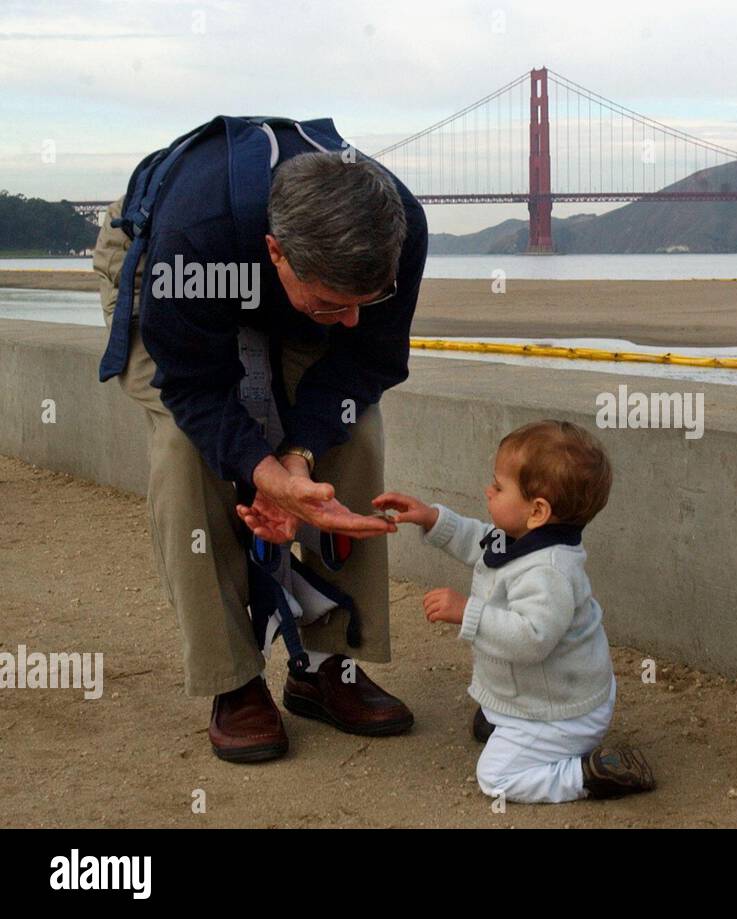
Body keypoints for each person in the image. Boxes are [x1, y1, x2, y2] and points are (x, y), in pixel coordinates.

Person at [93, 118, 428, 763]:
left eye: (368, 297)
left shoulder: (398, 225)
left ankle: (332, 665)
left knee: (353, 436)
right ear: (277, 254)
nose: (353, 319)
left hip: (279, 274)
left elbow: (370, 359)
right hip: (165, 269)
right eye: (337, 303)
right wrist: (260, 472)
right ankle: (235, 680)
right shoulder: (195, 234)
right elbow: (190, 383)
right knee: (186, 452)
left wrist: (297, 459)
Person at [370, 420, 656, 802]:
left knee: (496, 776)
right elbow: (476, 539)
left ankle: (585, 774)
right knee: (493, 718)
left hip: (562, 711)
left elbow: (531, 638)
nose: (488, 491)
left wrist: (467, 612)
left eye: (499, 487)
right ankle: (508, 719)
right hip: (546, 693)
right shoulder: (520, 538)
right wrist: (431, 517)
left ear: (537, 510)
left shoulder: (549, 571)